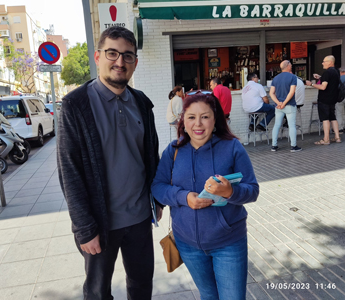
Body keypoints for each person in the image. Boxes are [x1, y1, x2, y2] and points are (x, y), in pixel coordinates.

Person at [57, 27, 162, 300]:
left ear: (135, 63)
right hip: (100, 223)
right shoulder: (75, 105)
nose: (120, 62)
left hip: (139, 217)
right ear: (97, 56)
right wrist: (84, 228)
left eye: (128, 56)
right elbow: (69, 171)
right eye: (112, 53)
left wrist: (158, 201)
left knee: (141, 286)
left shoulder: (141, 103)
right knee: (97, 292)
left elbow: (151, 155)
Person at [151, 91, 259, 300]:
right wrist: (184, 197)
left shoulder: (232, 147)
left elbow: (252, 190)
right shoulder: (173, 150)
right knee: (208, 295)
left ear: (215, 119)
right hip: (187, 243)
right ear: (183, 121)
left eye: (205, 116)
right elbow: (158, 187)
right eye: (191, 117)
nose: (198, 124)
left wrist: (231, 192)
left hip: (228, 242)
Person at [306, 55, 341, 144]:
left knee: (325, 118)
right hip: (333, 98)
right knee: (333, 117)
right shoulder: (336, 71)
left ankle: (326, 139)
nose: (322, 63)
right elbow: (330, 80)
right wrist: (320, 77)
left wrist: (311, 84)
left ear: (330, 62)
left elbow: (323, 87)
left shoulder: (327, 72)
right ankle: (337, 137)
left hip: (324, 99)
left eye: (324, 61)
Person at [269, 60, 302, 152]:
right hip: (289, 105)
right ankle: (293, 146)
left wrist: (278, 103)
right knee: (291, 125)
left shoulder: (275, 78)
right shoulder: (292, 77)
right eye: (290, 64)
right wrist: (284, 103)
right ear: (288, 66)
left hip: (278, 107)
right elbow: (291, 92)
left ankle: (274, 146)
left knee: (277, 125)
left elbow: (271, 93)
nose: (291, 65)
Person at [335, 67, 345, 132]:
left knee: (339, 113)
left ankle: (340, 128)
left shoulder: (338, 78)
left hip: (340, 97)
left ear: (341, 72)